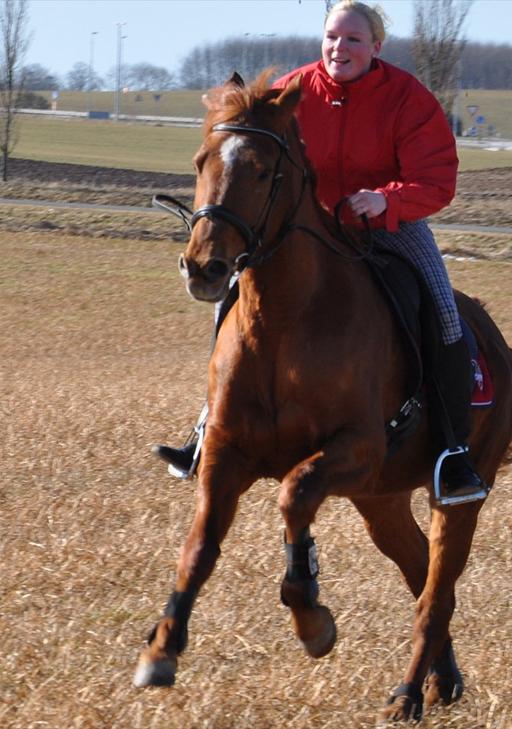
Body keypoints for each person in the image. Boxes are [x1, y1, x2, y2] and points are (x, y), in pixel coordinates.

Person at [154, 0, 485, 502]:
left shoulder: (407, 97)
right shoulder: (293, 92)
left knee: (443, 310)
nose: (340, 48)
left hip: (386, 225)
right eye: (332, 37)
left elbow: (438, 180)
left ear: (376, 46)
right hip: (302, 231)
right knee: (231, 302)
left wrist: (385, 199)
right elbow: (245, 141)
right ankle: (207, 429)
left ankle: (452, 453)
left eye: (353, 39)